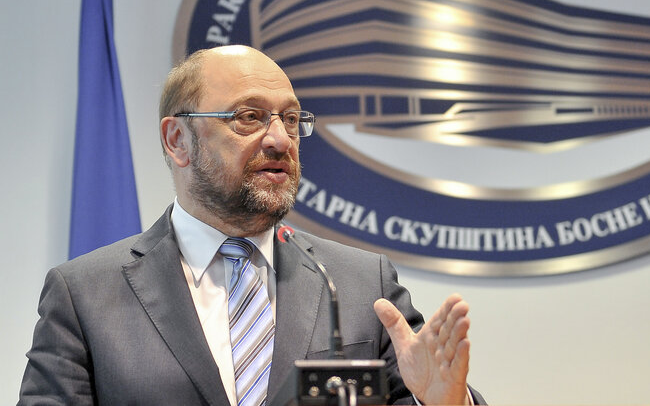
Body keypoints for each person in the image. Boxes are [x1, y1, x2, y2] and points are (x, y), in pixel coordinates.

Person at [19, 45, 485, 405]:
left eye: (290, 117)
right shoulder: (84, 296)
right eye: (249, 117)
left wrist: (442, 401)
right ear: (177, 139)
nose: (281, 138)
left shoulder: (362, 283)